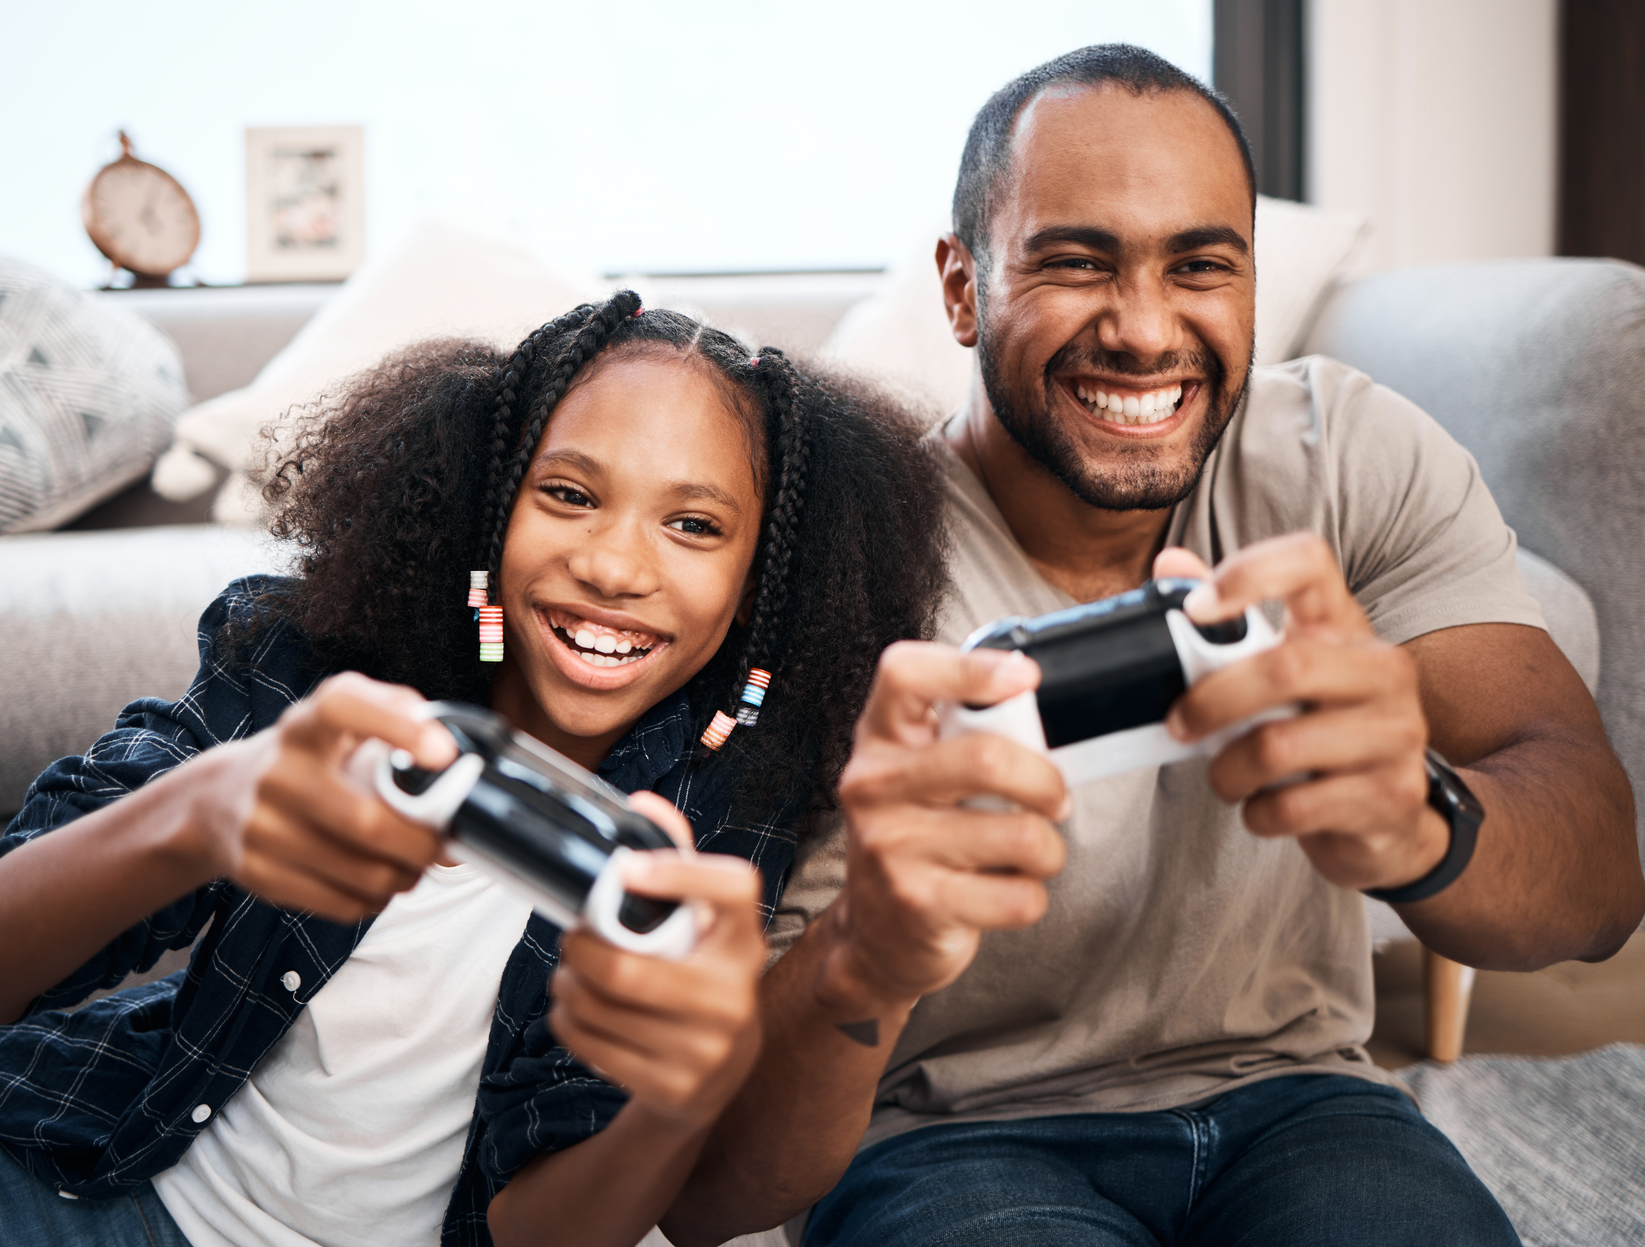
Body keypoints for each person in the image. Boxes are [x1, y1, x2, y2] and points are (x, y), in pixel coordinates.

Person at [665, 45, 1645, 1247]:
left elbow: (1600, 891)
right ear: (962, 287)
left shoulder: (1347, 458)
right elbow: (710, 1190)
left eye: (1198, 266)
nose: (1142, 330)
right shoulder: (829, 561)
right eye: (1076, 261)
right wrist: (858, 955)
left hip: (1301, 1098)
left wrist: (1419, 820)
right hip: (944, 1138)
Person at [0, 294, 948, 1247]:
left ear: (763, 581)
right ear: (489, 512)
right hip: (90, 1165)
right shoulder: (305, 661)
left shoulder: (726, 802)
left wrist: (685, 1096)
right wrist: (201, 808)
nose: (613, 563)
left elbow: (542, 1231)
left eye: (693, 526)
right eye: (570, 494)